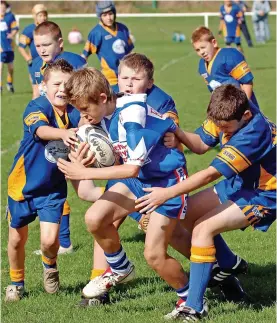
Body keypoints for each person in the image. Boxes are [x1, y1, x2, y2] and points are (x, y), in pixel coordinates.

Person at [57, 66, 199, 312]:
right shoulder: (104, 110)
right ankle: (120, 266)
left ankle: (191, 299)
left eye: (84, 110)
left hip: (167, 181)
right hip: (141, 180)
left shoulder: (130, 118)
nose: (82, 116)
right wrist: (88, 156)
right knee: (94, 218)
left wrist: (84, 173)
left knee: (154, 255)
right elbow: (111, 152)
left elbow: (131, 168)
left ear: (103, 98)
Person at [135, 84, 276, 320]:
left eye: (226, 127)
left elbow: (210, 174)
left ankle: (194, 307)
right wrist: (174, 131)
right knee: (188, 213)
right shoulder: (226, 107)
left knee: (203, 229)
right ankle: (229, 262)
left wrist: (166, 193)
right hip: (243, 182)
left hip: (266, 193)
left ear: (246, 116)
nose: (221, 130)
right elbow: (200, 145)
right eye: (218, 125)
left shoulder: (253, 131)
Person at [5, 59, 83, 302]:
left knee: (50, 241)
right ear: (44, 85)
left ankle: (50, 268)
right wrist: (65, 134)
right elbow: (40, 130)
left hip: (52, 188)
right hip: (23, 186)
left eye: (67, 84)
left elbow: (89, 128)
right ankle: (16, 283)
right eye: (56, 84)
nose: (62, 89)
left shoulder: (74, 111)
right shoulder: (36, 106)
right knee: (17, 238)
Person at [30, 21, 87, 255]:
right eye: (38, 45)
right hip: (51, 138)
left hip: (73, 133)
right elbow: (36, 98)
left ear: (60, 44)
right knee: (56, 186)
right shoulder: (36, 65)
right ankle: (64, 243)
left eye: (47, 44)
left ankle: (137, 208)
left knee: (85, 190)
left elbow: (87, 93)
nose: (42, 50)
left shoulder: (76, 62)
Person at [191, 26, 259, 107]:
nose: (201, 52)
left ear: (214, 43)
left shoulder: (229, 56)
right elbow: (213, 91)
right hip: (224, 110)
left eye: (203, 47)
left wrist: (244, 106)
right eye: (197, 50)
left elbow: (247, 82)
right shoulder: (202, 65)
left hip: (243, 107)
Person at [82, 1, 134, 89]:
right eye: (104, 15)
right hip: (111, 80)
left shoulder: (123, 28)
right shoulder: (96, 33)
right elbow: (84, 56)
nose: (109, 18)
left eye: (110, 14)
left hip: (127, 77)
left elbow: (130, 53)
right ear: (100, 17)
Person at [18, 4, 48, 99]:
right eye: (40, 15)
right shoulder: (29, 30)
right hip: (35, 65)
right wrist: (28, 58)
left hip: (49, 63)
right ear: (35, 16)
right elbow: (21, 47)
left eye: (44, 15)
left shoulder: (50, 28)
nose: (43, 18)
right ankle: (33, 112)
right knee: (37, 92)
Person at [0, 0, 18, 93]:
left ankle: (9, 83)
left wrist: (12, 34)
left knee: (10, 68)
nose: (2, 8)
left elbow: (15, 28)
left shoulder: (10, 16)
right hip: (0, 47)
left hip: (9, 46)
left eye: (3, 6)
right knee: (0, 67)